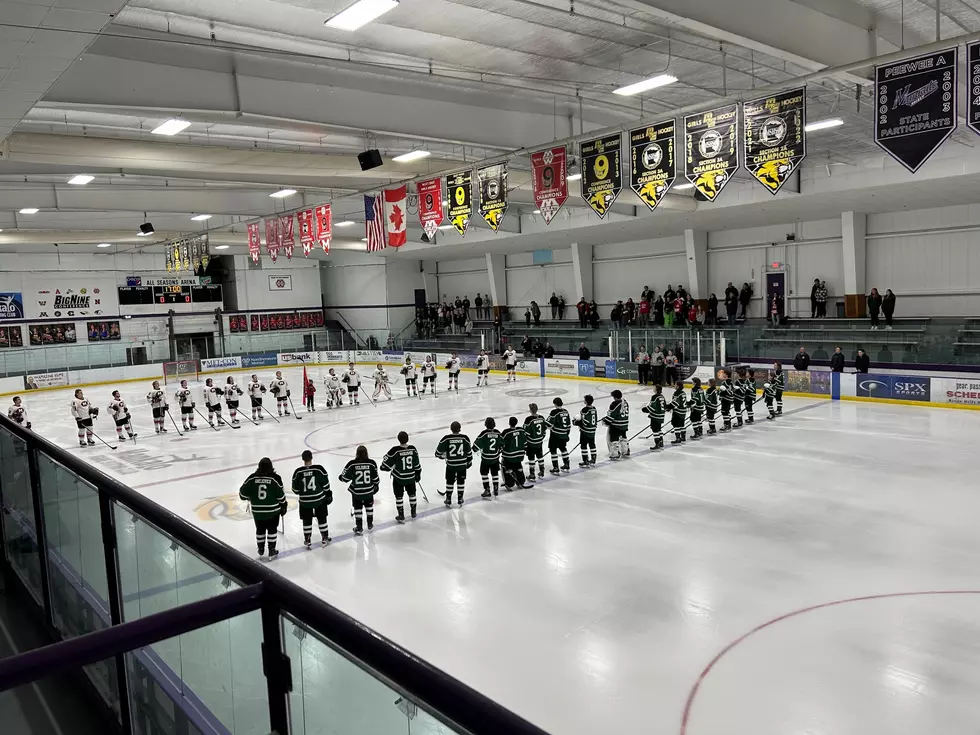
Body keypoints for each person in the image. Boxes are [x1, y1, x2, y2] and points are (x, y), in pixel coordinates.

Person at [240, 457, 287, 559]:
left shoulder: (252, 478)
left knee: (260, 529)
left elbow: (242, 495)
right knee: (272, 529)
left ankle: (260, 549)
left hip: (257, 511)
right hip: (273, 511)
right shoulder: (275, 478)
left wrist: (250, 495)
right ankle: (271, 550)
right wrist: (284, 505)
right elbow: (281, 496)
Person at [291, 450, 331, 547]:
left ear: (303, 459)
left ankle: (307, 539)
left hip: (305, 501)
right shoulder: (319, 469)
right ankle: (325, 538)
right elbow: (326, 486)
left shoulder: (298, 472)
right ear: (311, 457)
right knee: (322, 518)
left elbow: (295, 490)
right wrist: (327, 494)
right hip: (319, 499)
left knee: (306, 519)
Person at [381, 432, 421, 522]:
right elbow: (417, 464)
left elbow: (384, 465)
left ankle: (401, 515)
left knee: (399, 496)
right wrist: (418, 474)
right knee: (412, 494)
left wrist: (387, 467)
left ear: (398, 439)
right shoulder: (413, 449)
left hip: (399, 478)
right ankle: (413, 512)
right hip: (411, 477)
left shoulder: (394, 450)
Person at [340, 446, 380, 535]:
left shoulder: (352, 464)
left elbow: (345, 478)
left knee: (357, 508)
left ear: (357, 453)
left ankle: (359, 527)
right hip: (369, 491)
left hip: (357, 492)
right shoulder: (372, 463)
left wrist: (341, 478)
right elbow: (376, 479)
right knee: (369, 507)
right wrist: (376, 485)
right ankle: (370, 524)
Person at [436, 421, 472, 507]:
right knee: (461, 481)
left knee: (449, 481)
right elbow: (469, 453)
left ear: (451, 429)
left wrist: (441, 456)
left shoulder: (446, 438)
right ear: (460, 429)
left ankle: (448, 499)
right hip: (462, 464)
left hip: (451, 465)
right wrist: (469, 461)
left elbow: (437, 452)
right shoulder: (465, 438)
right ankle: (460, 498)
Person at [473, 418, 503, 499]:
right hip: (495, 458)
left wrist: (475, 449)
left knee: (484, 473)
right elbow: (503, 443)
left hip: (486, 458)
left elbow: (475, 446)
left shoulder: (484, 433)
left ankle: (487, 490)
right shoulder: (498, 433)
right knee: (495, 473)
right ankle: (496, 488)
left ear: (486, 425)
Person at [501, 417, 533, 489]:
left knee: (505, 465)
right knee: (518, 465)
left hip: (509, 457)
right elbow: (525, 443)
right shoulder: (521, 431)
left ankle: (509, 483)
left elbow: (501, 443)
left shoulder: (506, 432)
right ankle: (521, 481)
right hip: (520, 456)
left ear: (509, 423)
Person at [545, 397, 572, 475]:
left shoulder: (554, 412)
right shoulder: (566, 411)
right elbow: (569, 425)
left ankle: (556, 467)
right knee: (563, 448)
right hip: (564, 434)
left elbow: (548, 424)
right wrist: (567, 435)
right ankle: (567, 464)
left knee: (553, 450)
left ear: (555, 404)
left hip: (555, 435)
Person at [602, 389, 630, 459]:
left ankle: (615, 453)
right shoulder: (625, 402)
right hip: (624, 423)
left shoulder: (615, 403)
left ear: (614, 397)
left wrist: (606, 420)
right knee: (623, 437)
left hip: (616, 424)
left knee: (613, 438)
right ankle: (625, 451)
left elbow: (612, 415)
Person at [523, 404, 547, 481]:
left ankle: (532, 474)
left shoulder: (528, 419)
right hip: (539, 442)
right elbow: (544, 429)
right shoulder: (541, 418)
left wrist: (526, 441)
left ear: (530, 410)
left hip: (531, 443)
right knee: (540, 456)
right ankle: (542, 471)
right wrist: (541, 437)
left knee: (531, 458)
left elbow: (526, 432)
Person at [573, 395, 598, 467]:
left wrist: (576, 422)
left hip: (585, 431)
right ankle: (593, 459)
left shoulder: (584, 410)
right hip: (593, 430)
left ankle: (585, 460)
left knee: (583, 445)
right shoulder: (594, 408)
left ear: (586, 401)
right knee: (592, 444)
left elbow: (584, 422)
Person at [642, 384, 667, 450]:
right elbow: (665, 406)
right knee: (659, 429)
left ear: (656, 389)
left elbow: (652, 407)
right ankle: (661, 442)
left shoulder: (654, 397)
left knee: (655, 430)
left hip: (655, 416)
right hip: (661, 416)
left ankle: (657, 444)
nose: (653, 388)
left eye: (654, 387)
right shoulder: (662, 396)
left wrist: (645, 409)